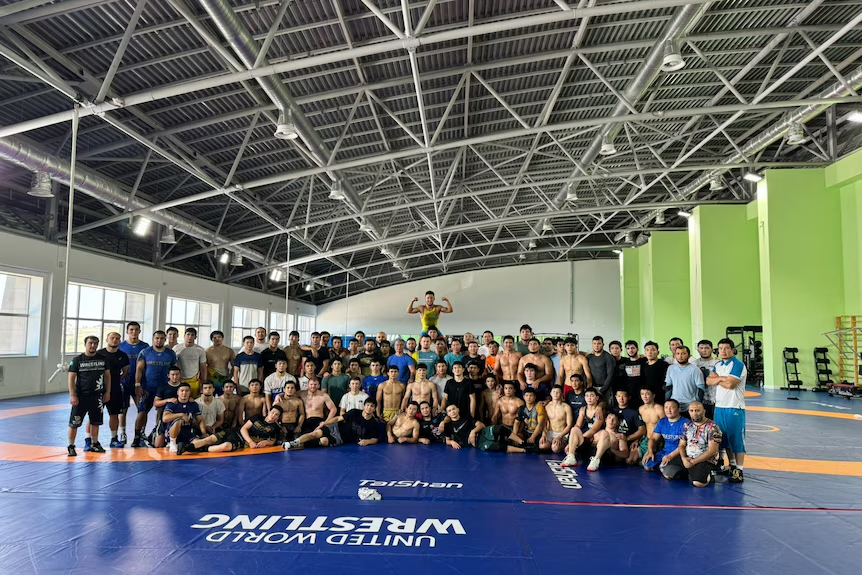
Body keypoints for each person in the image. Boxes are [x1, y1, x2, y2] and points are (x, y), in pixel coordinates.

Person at [708, 338, 747, 483]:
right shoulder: (718, 364)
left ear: (732, 350)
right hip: (720, 407)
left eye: (726, 348)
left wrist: (718, 379)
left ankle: (739, 470)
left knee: (736, 439)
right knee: (724, 438)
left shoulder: (738, 364)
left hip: (734, 407)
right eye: (721, 348)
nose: (723, 351)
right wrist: (721, 379)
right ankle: (731, 466)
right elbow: (708, 381)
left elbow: (730, 384)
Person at [67, 335, 111, 456]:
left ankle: (95, 443)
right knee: (74, 423)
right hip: (81, 396)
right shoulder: (78, 360)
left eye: (96, 343)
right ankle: (71, 446)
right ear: (85, 344)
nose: (93, 346)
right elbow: (71, 378)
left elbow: (107, 376)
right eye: (90, 343)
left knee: (96, 422)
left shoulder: (103, 359)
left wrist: (107, 392)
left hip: (97, 396)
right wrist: (72, 395)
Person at [178, 405, 284, 454]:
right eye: (273, 412)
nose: (273, 415)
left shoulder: (275, 428)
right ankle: (186, 447)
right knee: (210, 439)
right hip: (236, 432)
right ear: (269, 412)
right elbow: (243, 429)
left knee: (225, 446)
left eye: (276, 415)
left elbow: (273, 441)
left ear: (278, 418)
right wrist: (251, 441)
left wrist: (266, 442)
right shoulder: (257, 417)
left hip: (240, 442)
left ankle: (199, 449)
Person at [660, 402, 721, 487]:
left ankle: (709, 475)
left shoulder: (712, 427)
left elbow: (712, 451)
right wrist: (684, 458)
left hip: (704, 459)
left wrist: (694, 461)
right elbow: (681, 445)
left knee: (698, 483)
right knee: (667, 473)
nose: (694, 413)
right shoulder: (687, 425)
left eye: (697, 410)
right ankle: (691, 472)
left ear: (704, 411)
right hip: (688, 457)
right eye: (691, 411)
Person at [133, 330, 177, 448]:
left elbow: (175, 370)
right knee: (142, 412)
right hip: (148, 388)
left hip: (164, 389)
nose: (159, 340)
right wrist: (137, 384)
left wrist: (176, 385)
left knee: (162, 412)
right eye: (157, 338)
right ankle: (137, 436)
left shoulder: (170, 353)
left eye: (162, 338)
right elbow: (139, 369)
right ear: (153, 339)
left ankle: (157, 433)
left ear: (165, 339)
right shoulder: (145, 352)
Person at [284, 398, 380, 449]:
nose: (369, 408)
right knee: (315, 433)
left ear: (374, 409)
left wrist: (366, 442)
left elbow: (374, 439)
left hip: (341, 438)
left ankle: (302, 444)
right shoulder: (354, 412)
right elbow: (338, 418)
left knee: (323, 441)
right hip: (336, 427)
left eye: (372, 406)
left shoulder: (373, 423)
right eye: (367, 405)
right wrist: (324, 423)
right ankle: (294, 443)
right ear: (364, 406)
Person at [118, 322, 148, 446]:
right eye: (131, 330)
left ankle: (141, 432)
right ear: (127, 331)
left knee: (142, 409)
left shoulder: (145, 346)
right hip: (124, 382)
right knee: (122, 409)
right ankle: (123, 432)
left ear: (139, 331)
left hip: (139, 383)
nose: (134, 332)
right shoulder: (121, 346)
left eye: (136, 330)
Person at [98, 331, 129, 448]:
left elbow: (125, 371)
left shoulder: (123, 355)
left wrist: (116, 379)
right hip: (99, 389)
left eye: (117, 338)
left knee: (114, 414)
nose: (114, 340)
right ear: (107, 339)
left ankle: (114, 438)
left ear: (120, 341)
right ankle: (90, 439)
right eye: (112, 338)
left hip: (115, 389)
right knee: (94, 414)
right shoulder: (99, 354)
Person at [561, 387, 605, 469]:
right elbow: (577, 425)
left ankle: (595, 460)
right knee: (574, 429)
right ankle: (571, 457)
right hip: (585, 439)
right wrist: (571, 442)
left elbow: (593, 430)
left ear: (597, 398)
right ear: (584, 398)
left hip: (594, 440)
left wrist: (576, 443)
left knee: (601, 433)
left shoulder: (600, 411)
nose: (589, 398)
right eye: (587, 396)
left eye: (592, 396)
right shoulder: (582, 409)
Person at [642, 399, 689, 471]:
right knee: (647, 465)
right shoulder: (662, 421)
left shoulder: (685, 423)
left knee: (664, 469)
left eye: (672, 407)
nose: (668, 410)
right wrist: (650, 452)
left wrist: (670, 456)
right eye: (666, 407)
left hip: (678, 453)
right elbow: (653, 438)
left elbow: (683, 445)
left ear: (679, 409)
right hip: (665, 451)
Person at [163, 382, 205, 453]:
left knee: (200, 444)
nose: (184, 393)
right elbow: (165, 418)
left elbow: (200, 420)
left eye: (186, 391)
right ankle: (172, 443)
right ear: (178, 392)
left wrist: (204, 433)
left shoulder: (193, 404)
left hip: (188, 432)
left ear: (189, 392)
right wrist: (181, 415)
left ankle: (185, 447)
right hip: (174, 432)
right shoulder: (172, 403)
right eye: (182, 391)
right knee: (179, 420)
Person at [666, 346, 706, 416]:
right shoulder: (671, 368)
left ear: (689, 355)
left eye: (683, 353)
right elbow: (668, 387)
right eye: (678, 353)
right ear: (675, 355)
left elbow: (701, 389)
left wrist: (696, 405)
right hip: (674, 406)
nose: (680, 356)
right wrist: (667, 401)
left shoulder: (695, 370)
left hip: (690, 406)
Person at [611, 389, 646, 465]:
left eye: (624, 396)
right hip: (616, 440)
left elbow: (642, 430)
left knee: (629, 461)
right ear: (616, 397)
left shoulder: (633, 411)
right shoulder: (613, 410)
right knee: (617, 459)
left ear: (629, 397)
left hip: (630, 441)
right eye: (619, 396)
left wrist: (628, 438)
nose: (621, 398)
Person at [151, 366, 182, 448]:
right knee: (158, 445)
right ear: (168, 375)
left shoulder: (183, 387)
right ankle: (155, 433)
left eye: (177, 374)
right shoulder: (163, 387)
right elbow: (155, 403)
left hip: (179, 416)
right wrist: (167, 400)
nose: (175, 377)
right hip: (164, 416)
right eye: (173, 375)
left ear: (180, 375)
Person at [173, 327, 207, 399]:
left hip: (194, 379)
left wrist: (203, 383)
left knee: (194, 401)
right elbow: (172, 365)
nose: (190, 337)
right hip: (179, 379)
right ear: (184, 336)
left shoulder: (200, 350)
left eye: (192, 335)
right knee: (179, 400)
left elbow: (203, 368)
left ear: (195, 337)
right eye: (188, 334)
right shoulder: (176, 348)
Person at [636, 387, 665, 464]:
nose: (644, 396)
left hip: (657, 440)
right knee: (630, 460)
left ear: (653, 395)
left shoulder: (660, 409)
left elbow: (665, 427)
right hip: (646, 438)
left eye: (647, 394)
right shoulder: (641, 409)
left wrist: (659, 443)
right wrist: (637, 439)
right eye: (642, 394)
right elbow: (643, 427)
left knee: (646, 464)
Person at [541, 385, 573, 454]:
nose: (555, 394)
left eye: (558, 392)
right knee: (542, 446)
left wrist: (560, 436)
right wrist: (544, 434)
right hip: (550, 432)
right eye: (554, 392)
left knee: (555, 448)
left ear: (561, 394)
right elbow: (544, 422)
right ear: (551, 393)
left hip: (562, 433)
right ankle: (552, 444)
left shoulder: (566, 407)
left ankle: (564, 445)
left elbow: (569, 425)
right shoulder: (547, 406)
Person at [588, 336, 617, 403]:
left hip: (605, 388)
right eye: (594, 343)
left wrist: (601, 391)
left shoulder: (608, 357)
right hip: (593, 388)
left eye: (599, 343)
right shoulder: (589, 357)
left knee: (606, 408)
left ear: (603, 345)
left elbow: (610, 376)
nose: (596, 346)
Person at [205, 330, 235, 394]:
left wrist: (230, 377)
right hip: (211, 378)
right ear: (211, 339)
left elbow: (234, 366)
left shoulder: (229, 350)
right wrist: (205, 379)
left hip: (224, 378)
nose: (217, 339)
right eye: (215, 337)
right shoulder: (207, 351)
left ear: (222, 338)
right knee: (210, 398)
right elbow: (203, 366)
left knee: (224, 399)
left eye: (219, 337)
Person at [694, 339, 718, 418]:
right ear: (698, 350)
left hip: (714, 399)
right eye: (701, 348)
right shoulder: (694, 364)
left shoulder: (717, 363)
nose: (704, 350)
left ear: (712, 349)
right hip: (699, 399)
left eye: (707, 348)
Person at [619, 340, 648, 406]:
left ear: (637, 349)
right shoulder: (625, 363)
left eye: (633, 348)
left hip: (643, 394)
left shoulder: (644, 360)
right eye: (628, 348)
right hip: (630, 394)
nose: (630, 350)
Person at [641, 341, 669, 407]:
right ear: (645, 353)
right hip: (647, 397)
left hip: (660, 396)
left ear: (658, 352)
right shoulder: (644, 365)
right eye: (647, 350)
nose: (650, 352)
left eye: (653, 350)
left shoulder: (664, 365)